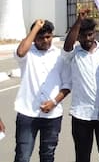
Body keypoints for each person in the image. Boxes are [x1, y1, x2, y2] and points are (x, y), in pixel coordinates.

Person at [14, 19, 70, 162]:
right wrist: (35, 28)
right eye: (40, 37)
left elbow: (67, 84)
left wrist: (54, 102)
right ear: (34, 38)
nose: (45, 40)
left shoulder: (59, 56)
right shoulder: (27, 54)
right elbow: (20, 52)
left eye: (48, 36)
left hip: (52, 116)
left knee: (47, 155)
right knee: (22, 156)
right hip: (27, 113)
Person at [62, 12, 99, 162]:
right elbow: (67, 45)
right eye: (83, 35)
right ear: (77, 36)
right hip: (82, 114)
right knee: (82, 155)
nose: (87, 39)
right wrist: (78, 22)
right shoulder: (73, 54)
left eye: (90, 34)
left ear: (95, 33)